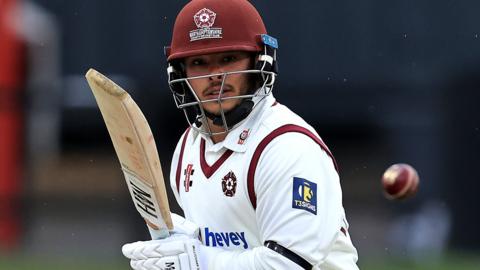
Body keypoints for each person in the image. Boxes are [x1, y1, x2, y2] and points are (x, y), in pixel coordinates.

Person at [122, 0, 359, 269]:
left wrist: (202, 262)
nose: (215, 75)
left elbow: (289, 265)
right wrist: (181, 247)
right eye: (199, 62)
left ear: (260, 62)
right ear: (180, 74)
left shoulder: (288, 148)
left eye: (228, 59)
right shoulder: (187, 148)